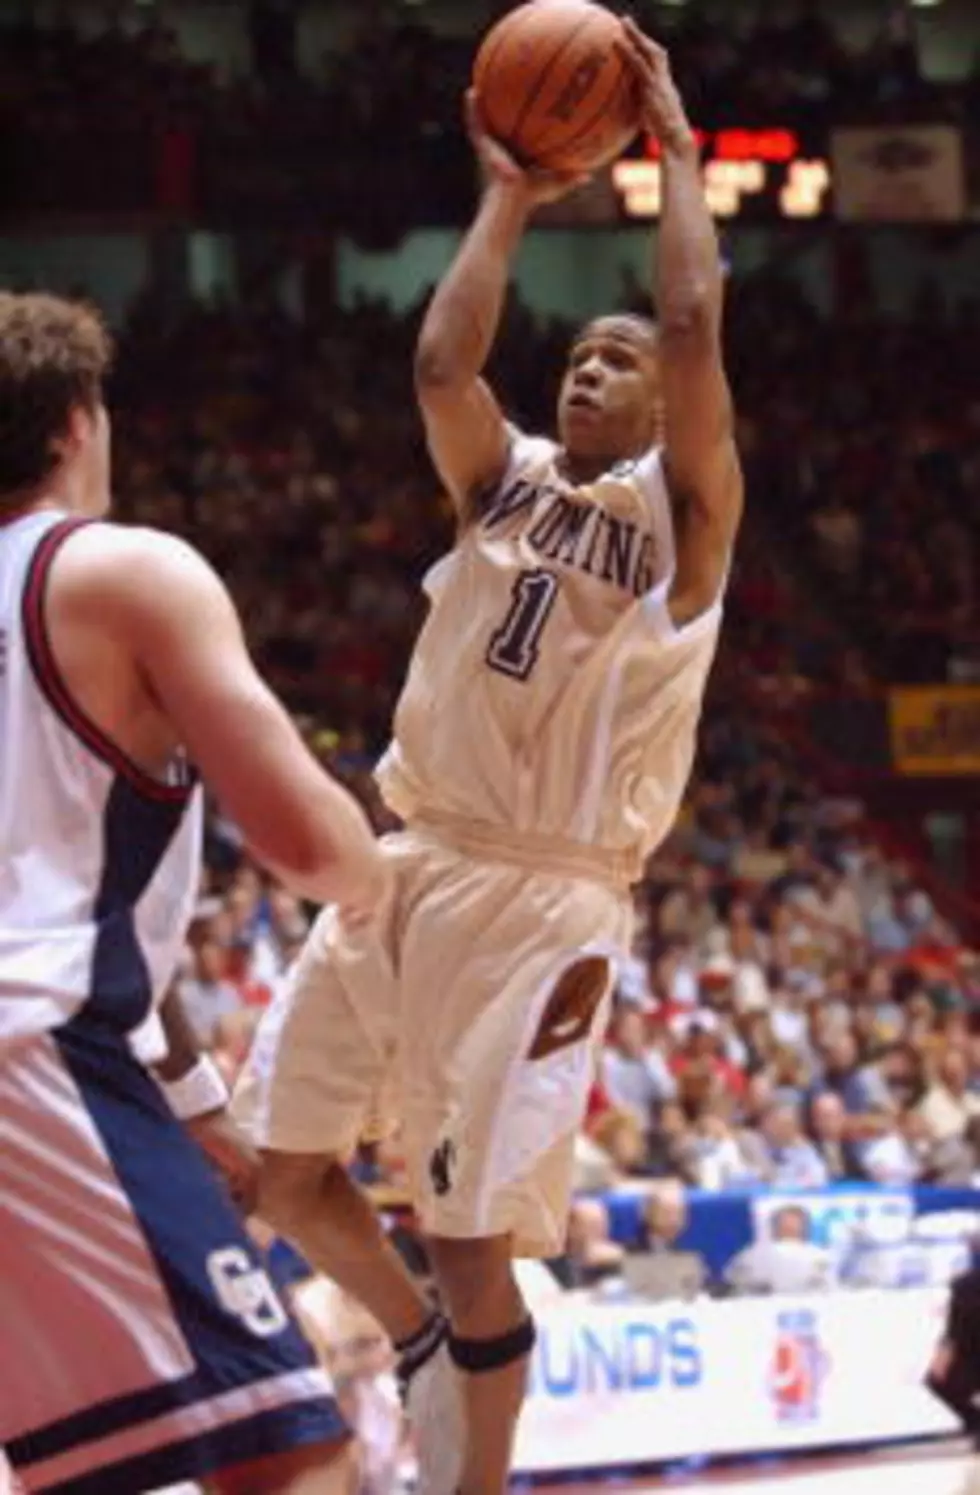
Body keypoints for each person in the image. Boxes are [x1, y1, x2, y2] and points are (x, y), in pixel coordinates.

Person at [235, 20, 743, 1495]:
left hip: (548, 891)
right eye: (581, 353)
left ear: (662, 411)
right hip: (407, 861)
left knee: (468, 1235)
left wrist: (680, 160)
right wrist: (511, 195)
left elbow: (698, 327)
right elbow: (443, 357)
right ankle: (404, 1342)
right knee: (286, 1173)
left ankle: (477, 1483)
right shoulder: (501, 485)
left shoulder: (682, 525)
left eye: (617, 360)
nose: (592, 370)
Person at [0, 291, 388, 1494]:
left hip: (60, 1048)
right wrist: (404, 878)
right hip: (31, 1056)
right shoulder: (118, 572)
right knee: (291, 1455)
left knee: (92, 1465)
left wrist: (193, 1097)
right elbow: (307, 847)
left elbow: (72, 897)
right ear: (76, 421)